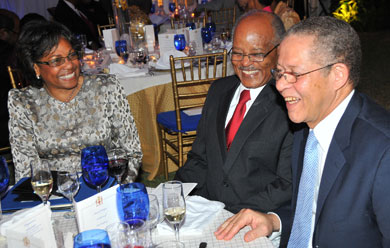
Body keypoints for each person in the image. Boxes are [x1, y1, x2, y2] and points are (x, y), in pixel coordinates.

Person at [215, 16, 390, 247]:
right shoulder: (307, 126)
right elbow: (314, 209)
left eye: (294, 74)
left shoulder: (383, 152)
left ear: (337, 75)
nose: (280, 85)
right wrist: (273, 220)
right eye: (279, 73)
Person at [175, 10, 294, 215]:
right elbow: (199, 159)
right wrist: (173, 192)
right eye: (238, 53)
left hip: (254, 217)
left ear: (279, 50)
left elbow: (286, 184)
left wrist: (232, 216)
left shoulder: (289, 106)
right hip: (205, 210)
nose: (245, 63)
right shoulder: (218, 91)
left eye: (257, 54)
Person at [8, 21, 142, 182]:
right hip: (55, 193)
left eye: (72, 55)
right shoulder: (23, 102)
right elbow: (25, 170)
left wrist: (119, 187)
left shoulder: (107, 88)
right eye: (57, 60)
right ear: (35, 67)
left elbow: (132, 152)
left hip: (104, 187)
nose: (69, 65)